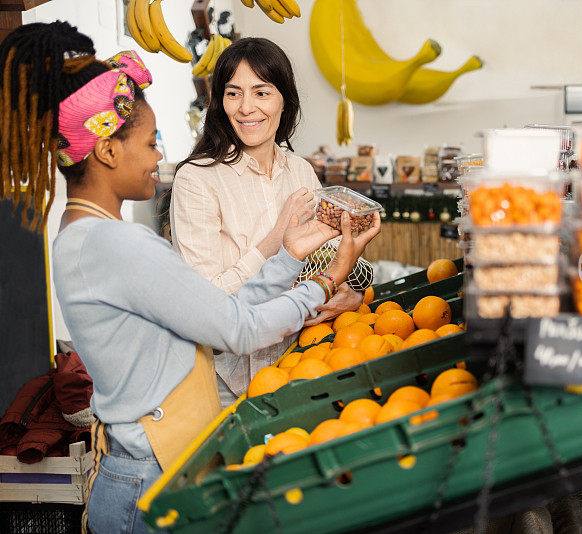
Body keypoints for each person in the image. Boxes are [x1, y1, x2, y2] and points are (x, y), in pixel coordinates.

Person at [0, 22, 379, 534]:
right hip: (148, 482)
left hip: (151, 469)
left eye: (262, 92)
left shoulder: (83, 236)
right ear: (108, 151)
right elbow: (235, 329)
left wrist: (291, 257)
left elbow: (218, 312)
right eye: (152, 141)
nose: (161, 155)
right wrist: (324, 280)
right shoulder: (122, 245)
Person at [170, 37, 364, 406]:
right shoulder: (197, 179)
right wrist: (276, 238)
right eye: (233, 93)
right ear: (219, 102)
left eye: (261, 92)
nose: (246, 108)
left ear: (284, 100)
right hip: (226, 381)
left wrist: (346, 294)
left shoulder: (301, 171)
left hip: (303, 362)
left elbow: (324, 267)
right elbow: (205, 304)